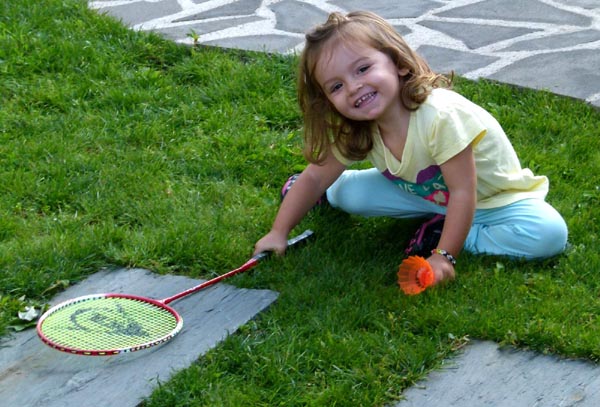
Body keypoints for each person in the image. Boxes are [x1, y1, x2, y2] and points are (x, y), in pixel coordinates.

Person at [253, 11, 568, 286]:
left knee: (549, 233)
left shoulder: (440, 117)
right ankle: (322, 197)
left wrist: (443, 256)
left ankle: (442, 233)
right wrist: (278, 232)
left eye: (362, 69)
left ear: (399, 64)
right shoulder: (360, 126)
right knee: (348, 194)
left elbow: (463, 191)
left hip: (494, 200)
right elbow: (315, 177)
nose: (353, 87)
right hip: (425, 194)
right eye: (336, 86)